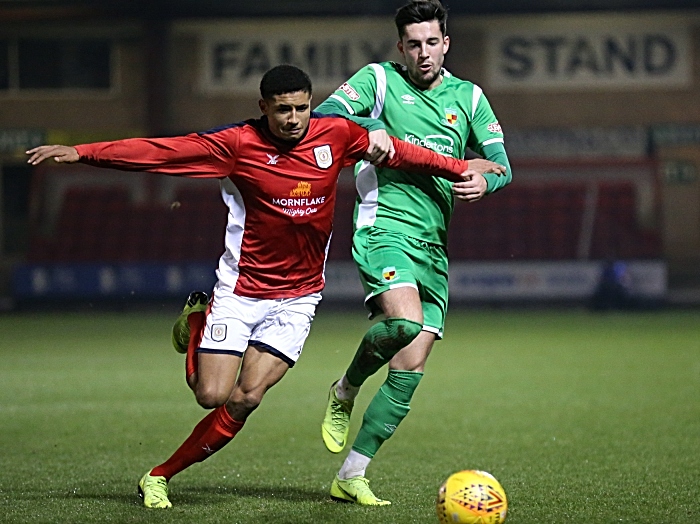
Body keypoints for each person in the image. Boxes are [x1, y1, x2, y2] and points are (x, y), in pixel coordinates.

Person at [26, 64, 504, 509]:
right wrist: (84, 153)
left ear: (311, 103)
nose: (293, 119)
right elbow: (161, 152)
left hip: (298, 298)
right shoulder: (236, 143)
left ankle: (159, 475)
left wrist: (463, 168)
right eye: (282, 110)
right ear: (264, 107)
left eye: (301, 108)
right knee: (211, 395)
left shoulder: (336, 133)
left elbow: (404, 154)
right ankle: (197, 323)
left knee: (247, 398)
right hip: (241, 291)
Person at [314, 0, 513, 506]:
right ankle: (344, 389)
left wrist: (483, 183)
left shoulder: (469, 98)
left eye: (432, 42)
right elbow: (323, 117)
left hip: (433, 244)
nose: (423, 52)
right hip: (385, 226)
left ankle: (352, 473)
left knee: (410, 366)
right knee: (402, 324)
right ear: (400, 46)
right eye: (413, 44)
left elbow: (501, 166)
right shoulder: (379, 81)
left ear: (446, 43)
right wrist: (367, 130)